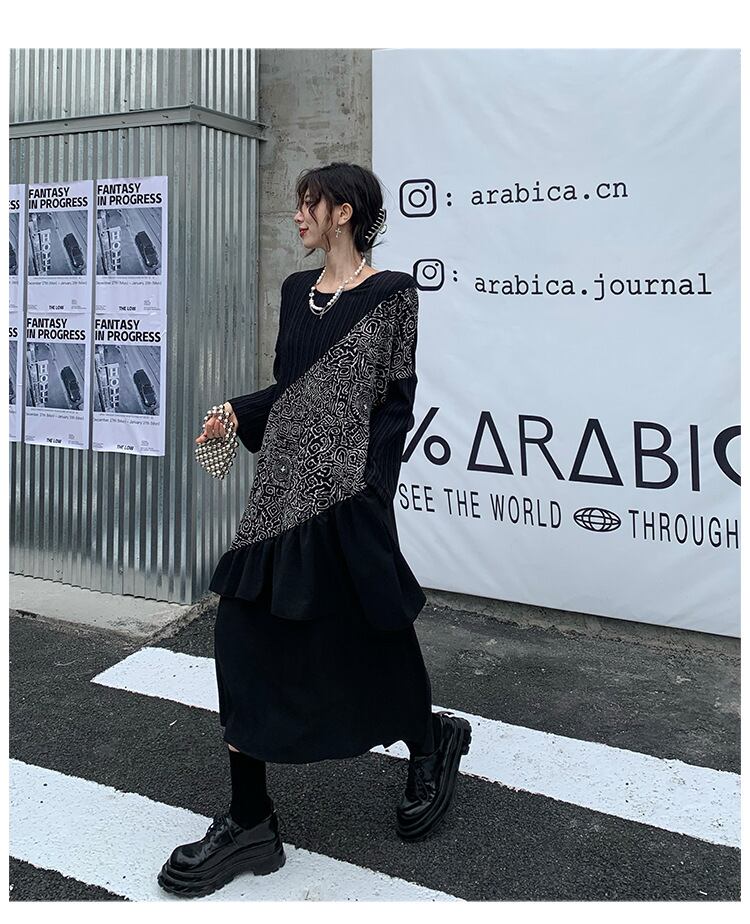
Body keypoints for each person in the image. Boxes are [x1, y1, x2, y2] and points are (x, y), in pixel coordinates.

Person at [158, 162, 472, 898]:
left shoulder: (392, 295)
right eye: (298, 204)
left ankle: (430, 742)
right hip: (279, 504)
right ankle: (250, 820)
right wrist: (237, 412)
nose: (298, 215)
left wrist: (372, 492)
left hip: (349, 503)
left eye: (309, 204)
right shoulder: (296, 290)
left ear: (344, 211)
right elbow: (291, 392)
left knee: (375, 633)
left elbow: (394, 404)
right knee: (240, 635)